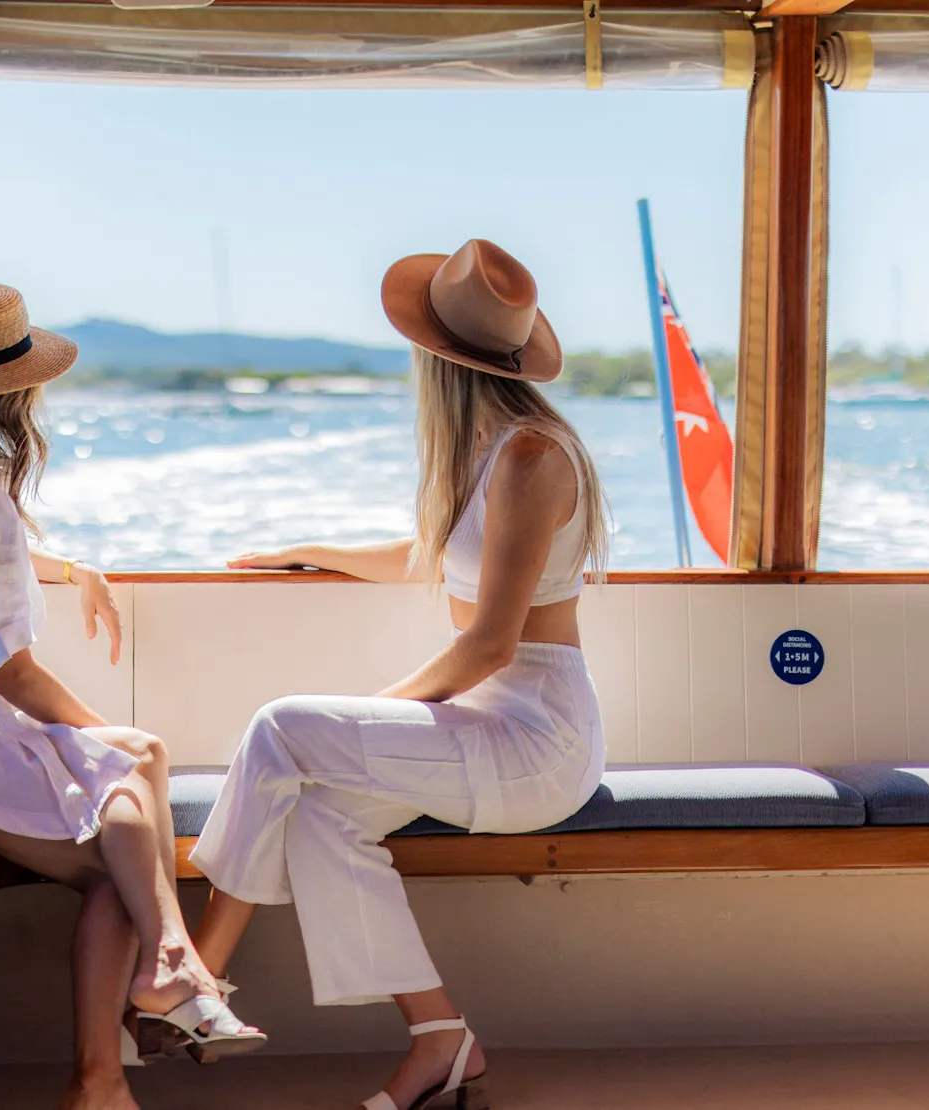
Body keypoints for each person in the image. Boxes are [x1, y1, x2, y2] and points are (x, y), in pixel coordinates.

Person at [189, 240, 610, 1110]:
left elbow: (491, 643)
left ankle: (192, 977)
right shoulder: (490, 452)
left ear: (436, 360)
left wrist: (353, 722)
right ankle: (442, 1042)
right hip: (489, 729)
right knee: (321, 816)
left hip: (537, 738)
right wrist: (308, 551)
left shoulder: (533, 459)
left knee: (283, 728)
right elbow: (429, 554)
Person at [0, 284, 263, 1110]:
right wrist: (99, 742)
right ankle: (173, 969)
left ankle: (102, 1077)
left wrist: (67, 566)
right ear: (17, 394)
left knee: (119, 854)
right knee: (129, 760)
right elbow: (13, 674)